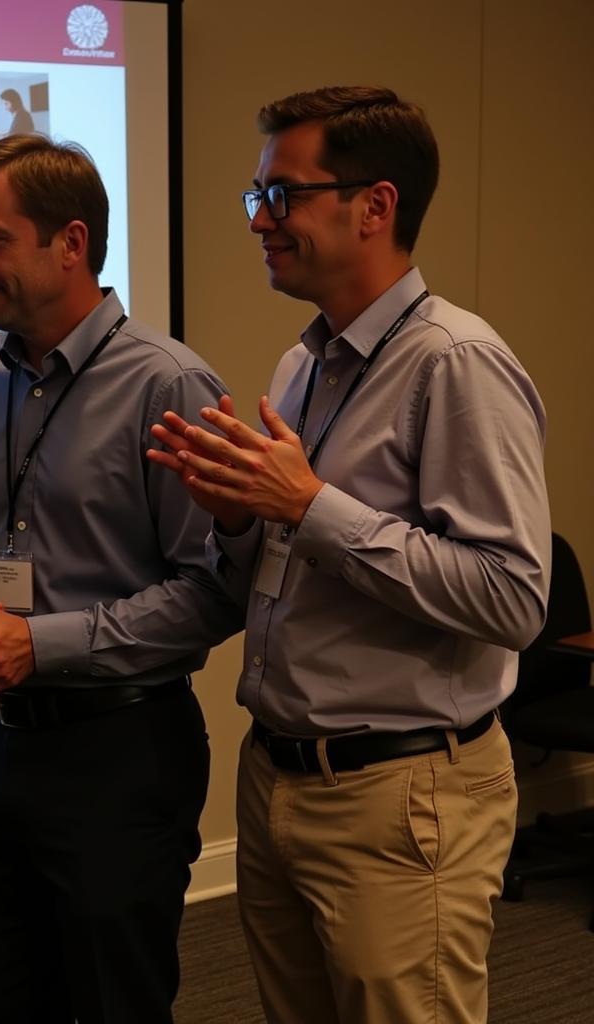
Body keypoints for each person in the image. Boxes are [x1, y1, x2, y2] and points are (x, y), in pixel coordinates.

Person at [149, 85, 551, 1023]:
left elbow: (514, 599)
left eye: (281, 196)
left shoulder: (456, 362)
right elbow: (294, 557)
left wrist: (312, 506)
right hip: (280, 776)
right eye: (257, 196)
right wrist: (245, 517)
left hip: (405, 796)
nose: (260, 220)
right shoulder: (306, 362)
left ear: (374, 206)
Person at [0, 134, 243, 1023]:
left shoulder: (170, 386)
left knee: (115, 1000)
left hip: (120, 752)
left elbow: (216, 590)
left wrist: (42, 643)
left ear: (70, 243)